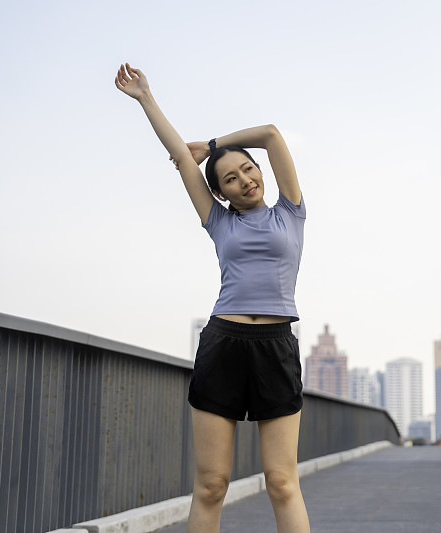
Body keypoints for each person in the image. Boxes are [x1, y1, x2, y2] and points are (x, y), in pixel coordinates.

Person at [115, 63, 310, 533]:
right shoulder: (219, 222)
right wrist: (146, 98)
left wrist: (218, 146)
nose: (244, 180)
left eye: (248, 170)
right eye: (230, 179)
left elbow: (269, 133)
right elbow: (183, 161)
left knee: (282, 483)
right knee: (211, 485)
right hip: (223, 343)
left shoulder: (291, 211)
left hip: (276, 346)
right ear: (220, 194)